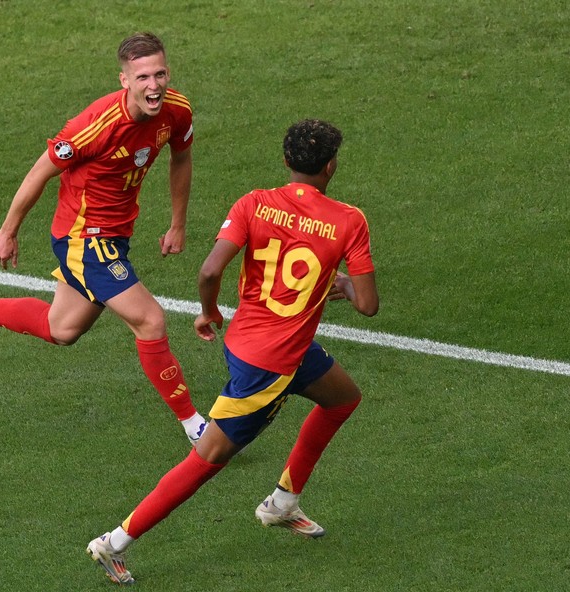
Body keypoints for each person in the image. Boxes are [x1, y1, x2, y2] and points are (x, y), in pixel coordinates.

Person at [86, 119, 379, 584]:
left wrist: (207, 313)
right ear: (331, 166)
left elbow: (208, 271)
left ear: (286, 162)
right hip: (270, 367)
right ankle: (113, 542)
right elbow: (367, 305)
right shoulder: (349, 220)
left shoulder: (254, 203)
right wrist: (342, 281)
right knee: (208, 458)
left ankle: (283, 503)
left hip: (252, 340)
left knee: (342, 397)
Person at [0, 32, 206, 444]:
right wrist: (8, 230)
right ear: (124, 80)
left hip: (117, 234)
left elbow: (181, 157)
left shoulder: (176, 111)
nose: (153, 85)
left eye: (159, 74)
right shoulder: (93, 127)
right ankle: (196, 425)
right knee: (150, 319)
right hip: (83, 238)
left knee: (62, 329)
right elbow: (40, 171)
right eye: (142, 77)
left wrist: (178, 223)